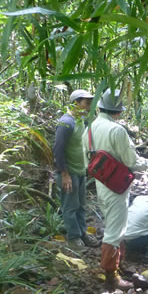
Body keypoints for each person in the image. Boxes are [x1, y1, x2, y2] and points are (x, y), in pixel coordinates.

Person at [84, 88, 148, 290]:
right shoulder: (117, 130)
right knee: (115, 230)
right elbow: (131, 161)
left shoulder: (90, 128)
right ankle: (111, 276)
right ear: (117, 112)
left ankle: (117, 266)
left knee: (112, 223)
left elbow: (88, 159)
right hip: (116, 186)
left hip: (101, 183)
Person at [52, 89, 99, 249]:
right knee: (70, 206)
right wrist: (64, 174)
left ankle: (82, 233)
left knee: (80, 205)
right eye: (87, 102)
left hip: (80, 171)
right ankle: (73, 237)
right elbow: (58, 149)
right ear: (75, 103)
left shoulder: (81, 121)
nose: (89, 106)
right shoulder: (66, 122)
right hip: (68, 172)